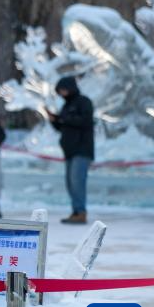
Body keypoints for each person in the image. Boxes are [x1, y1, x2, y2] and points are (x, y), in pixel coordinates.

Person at [48, 75, 95, 224]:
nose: (61, 93)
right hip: (69, 151)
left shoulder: (84, 102)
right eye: (59, 91)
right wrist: (54, 120)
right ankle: (76, 211)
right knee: (70, 183)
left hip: (82, 149)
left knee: (77, 181)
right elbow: (62, 128)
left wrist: (63, 119)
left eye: (63, 89)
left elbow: (85, 121)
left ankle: (81, 212)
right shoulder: (65, 106)